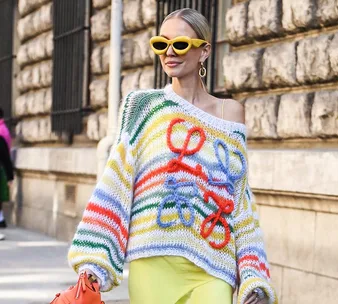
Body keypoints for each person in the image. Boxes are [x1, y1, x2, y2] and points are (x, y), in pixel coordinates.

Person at [68, 8, 276, 304]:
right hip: (153, 261)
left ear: (204, 51)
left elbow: (239, 199)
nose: (169, 53)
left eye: (179, 44)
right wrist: (95, 258)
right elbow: (116, 182)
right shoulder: (143, 107)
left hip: (214, 264)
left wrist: (254, 274)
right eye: (160, 44)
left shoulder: (231, 113)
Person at [0, 107, 13, 233]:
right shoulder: (3, 130)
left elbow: (5, 156)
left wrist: (9, 176)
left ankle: (1, 219)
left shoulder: (1, 132)